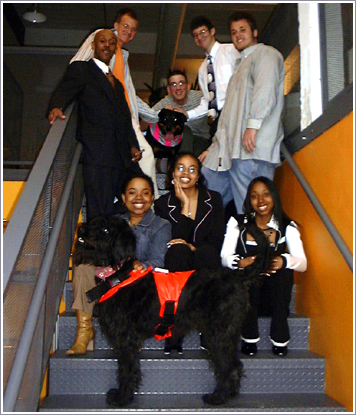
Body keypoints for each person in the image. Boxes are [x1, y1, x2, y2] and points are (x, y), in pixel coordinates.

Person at [66, 172, 172, 355]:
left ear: (153, 197)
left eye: (145, 193)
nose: (139, 197)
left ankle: (131, 333)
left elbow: (159, 261)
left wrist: (140, 265)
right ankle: (85, 331)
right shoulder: (113, 223)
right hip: (111, 282)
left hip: (139, 288)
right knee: (82, 264)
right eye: (132, 192)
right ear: (123, 198)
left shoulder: (161, 225)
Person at [48, 29, 142, 221]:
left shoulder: (117, 83)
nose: (107, 45)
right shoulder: (82, 70)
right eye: (102, 41)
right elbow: (66, 88)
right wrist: (57, 106)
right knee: (98, 212)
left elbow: (125, 119)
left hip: (121, 156)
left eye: (111, 42)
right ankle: (96, 249)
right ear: (93, 46)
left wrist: (132, 144)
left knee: (134, 196)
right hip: (97, 155)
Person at [199, 12, 285, 215]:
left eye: (243, 30)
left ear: (255, 32)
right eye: (233, 32)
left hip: (252, 149)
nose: (237, 35)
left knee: (253, 211)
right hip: (232, 151)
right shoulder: (240, 66)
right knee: (207, 180)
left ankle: (256, 245)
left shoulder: (266, 54)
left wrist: (253, 126)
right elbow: (228, 116)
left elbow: (265, 91)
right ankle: (213, 241)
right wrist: (213, 148)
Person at [71, 8, 159, 197]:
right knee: (145, 158)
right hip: (107, 120)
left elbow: (129, 95)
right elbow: (77, 65)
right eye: (125, 26)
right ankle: (149, 204)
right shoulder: (101, 38)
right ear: (116, 25)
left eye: (134, 29)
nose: (129, 31)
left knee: (140, 160)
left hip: (126, 118)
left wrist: (155, 114)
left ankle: (140, 204)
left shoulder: (122, 57)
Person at [221, 176, 307, 356]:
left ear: (274, 197)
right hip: (245, 296)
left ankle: (280, 338)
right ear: (249, 200)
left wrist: (283, 261)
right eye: (254, 196)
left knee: (284, 272)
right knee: (250, 272)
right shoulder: (237, 223)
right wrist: (241, 262)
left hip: (273, 299)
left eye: (266, 194)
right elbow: (224, 257)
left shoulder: (286, 226)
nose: (260, 201)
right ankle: (249, 338)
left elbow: (302, 263)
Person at [154, 152, 226, 353]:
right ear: (172, 173)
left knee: (207, 253)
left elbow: (217, 239)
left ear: (198, 175)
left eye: (192, 169)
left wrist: (193, 247)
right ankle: (176, 328)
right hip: (179, 261)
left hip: (205, 257)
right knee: (177, 252)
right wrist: (184, 205)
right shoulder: (162, 204)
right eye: (180, 168)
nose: (186, 173)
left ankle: (208, 327)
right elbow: (172, 240)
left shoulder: (214, 200)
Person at [182, 16, 240, 137]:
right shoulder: (202, 69)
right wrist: (187, 115)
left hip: (235, 113)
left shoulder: (231, 51)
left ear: (212, 31)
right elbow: (207, 101)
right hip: (217, 121)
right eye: (195, 35)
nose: (199, 37)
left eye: (203, 32)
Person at [141, 70, 211, 160]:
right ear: (169, 89)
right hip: (176, 140)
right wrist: (158, 113)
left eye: (181, 83)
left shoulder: (200, 97)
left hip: (201, 138)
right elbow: (142, 126)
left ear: (188, 86)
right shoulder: (164, 103)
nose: (178, 88)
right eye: (174, 84)